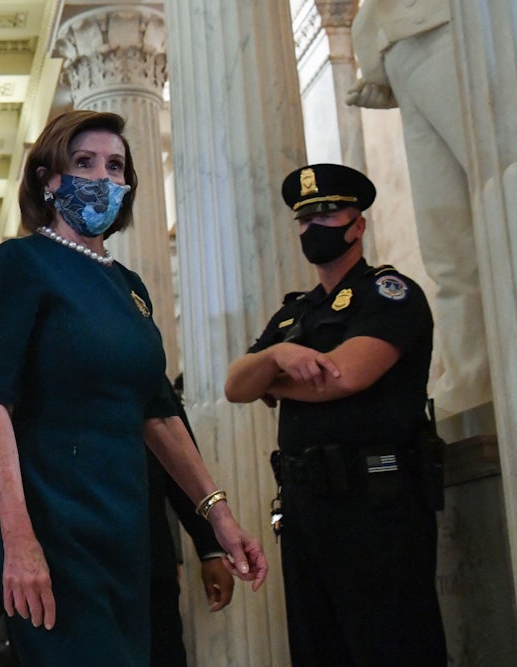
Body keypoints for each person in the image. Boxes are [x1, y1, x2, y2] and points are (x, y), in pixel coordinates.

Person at [0, 109, 266, 665]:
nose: (102, 177)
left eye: (115, 166)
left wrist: (219, 516)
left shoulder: (129, 286)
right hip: (54, 523)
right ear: (48, 179)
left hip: (125, 525)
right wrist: (17, 539)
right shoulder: (20, 263)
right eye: (83, 163)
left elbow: (159, 414)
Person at [223, 163, 446, 666]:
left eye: (326, 215)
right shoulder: (293, 314)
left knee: (390, 645)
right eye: (305, 219)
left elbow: (345, 376)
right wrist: (277, 356)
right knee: (318, 648)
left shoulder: (388, 294)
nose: (313, 228)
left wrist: (271, 382)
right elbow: (236, 386)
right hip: (305, 504)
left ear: (357, 224)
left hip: (376, 501)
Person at [0, 414, 234, 667]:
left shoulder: (137, 367)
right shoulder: (11, 369)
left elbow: (172, 440)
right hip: (39, 555)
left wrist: (209, 545)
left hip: (138, 548)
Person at [347, 0, 490, 414]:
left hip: (450, 21)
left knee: (501, 187)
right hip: (399, 41)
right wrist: (377, 57)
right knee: (447, 242)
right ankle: (473, 375)